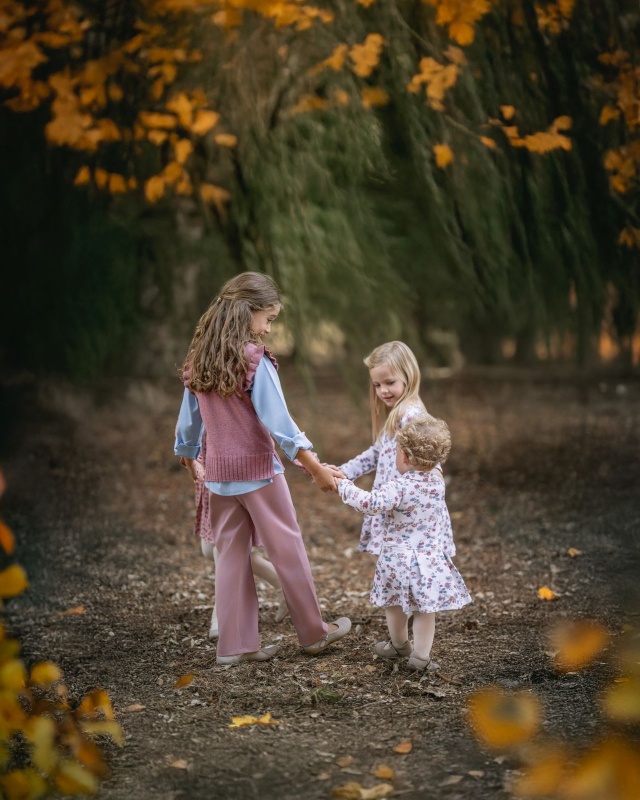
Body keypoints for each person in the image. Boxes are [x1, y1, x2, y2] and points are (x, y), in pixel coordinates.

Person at [174, 271, 350, 665]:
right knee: (287, 550)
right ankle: (313, 633)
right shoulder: (253, 360)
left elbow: (189, 421)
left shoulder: (199, 360)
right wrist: (316, 468)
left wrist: (187, 454)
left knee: (230, 556)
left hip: (219, 477)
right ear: (245, 311)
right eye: (268, 318)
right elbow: (281, 424)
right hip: (259, 474)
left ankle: (234, 646)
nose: (269, 329)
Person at [336, 414, 471, 671]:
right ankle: (421, 657)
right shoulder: (437, 482)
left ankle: (399, 645)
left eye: (397, 452)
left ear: (406, 456)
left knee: (395, 605)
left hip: (397, 559)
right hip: (429, 560)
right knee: (425, 610)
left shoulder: (399, 486)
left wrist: (344, 486)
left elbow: (370, 504)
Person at [336, 341, 444, 557]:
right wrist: (343, 472)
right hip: (393, 502)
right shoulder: (397, 413)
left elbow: (429, 461)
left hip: (408, 511)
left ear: (408, 376)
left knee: (410, 565)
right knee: (397, 566)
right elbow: (376, 453)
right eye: (377, 385)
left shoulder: (412, 417)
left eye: (389, 382)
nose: (383, 390)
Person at [180, 430, 288, 640]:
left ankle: (221, 618)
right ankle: (284, 585)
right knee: (209, 549)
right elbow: (187, 426)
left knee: (224, 548)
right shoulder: (194, 395)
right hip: (206, 467)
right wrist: (190, 457)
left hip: (230, 468)